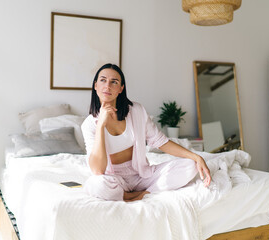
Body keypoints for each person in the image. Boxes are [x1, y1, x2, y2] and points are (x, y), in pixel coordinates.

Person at [81, 63, 211, 201]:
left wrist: (196, 157)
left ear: (121, 88)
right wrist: (100, 125)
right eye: (103, 80)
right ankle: (133, 195)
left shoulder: (136, 111)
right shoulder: (89, 125)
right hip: (113, 180)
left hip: (140, 176)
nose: (107, 86)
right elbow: (97, 170)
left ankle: (142, 194)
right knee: (95, 184)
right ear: (95, 85)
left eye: (114, 82)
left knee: (190, 165)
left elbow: (161, 142)